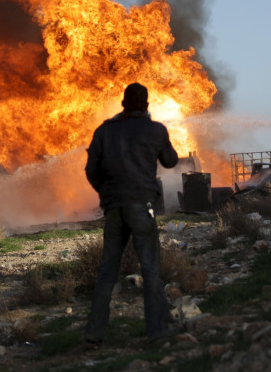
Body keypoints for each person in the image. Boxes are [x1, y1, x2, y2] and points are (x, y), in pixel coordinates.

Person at [84, 83, 179, 346]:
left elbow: (91, 169)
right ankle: (157, 331)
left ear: (123, 103)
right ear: (146, 104)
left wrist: (105, 194)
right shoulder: (155, 130)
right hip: (141, 205)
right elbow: (171, 161)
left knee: (107, 271)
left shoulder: (105, 130)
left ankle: (94, 332)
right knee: (150, 269)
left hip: (114, 208)